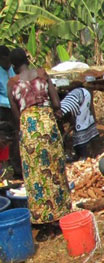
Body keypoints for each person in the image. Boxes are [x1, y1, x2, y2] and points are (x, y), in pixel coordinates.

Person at [7, 48, 71, 238]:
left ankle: (45, 225)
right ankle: (61, 216)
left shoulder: (12, 83)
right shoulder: (42, 74)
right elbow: (56, 102)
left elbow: (15, 113)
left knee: (36, 176)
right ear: (28, 59)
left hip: (29, 128)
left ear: (12, 65)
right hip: (47, 123)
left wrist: (26, 126)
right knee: (55, 171)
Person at [59, 85, 99, 160]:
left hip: (84, 96)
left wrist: (65, 135)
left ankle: (83, 155)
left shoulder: (67, 112)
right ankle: (84, 152)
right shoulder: (59, 117)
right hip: (77, 96)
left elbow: (73, 123)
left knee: (79, 126)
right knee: (82, 125)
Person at [0, 45, 20, 178]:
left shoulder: (12, 70)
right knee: (4, 139)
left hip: (14, 107)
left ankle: (17, 168)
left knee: (16, 137)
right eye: (6, 60)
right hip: (3, 108)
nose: (8, 63)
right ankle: (6, 169)